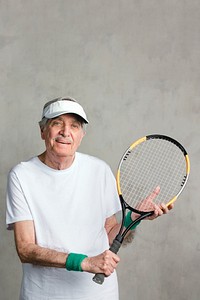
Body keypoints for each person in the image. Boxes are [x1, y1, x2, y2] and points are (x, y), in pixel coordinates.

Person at [6, 97, 173, 300]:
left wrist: (133, 220)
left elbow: (110, 232)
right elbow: (25, 249)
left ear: (81, 135)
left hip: (99, 293)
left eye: (74, 126)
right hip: (42, 294)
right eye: (57, 123)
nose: (65, 132)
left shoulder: (99, 170)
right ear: (42, 130)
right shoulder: (22, 175)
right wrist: (84, 262)